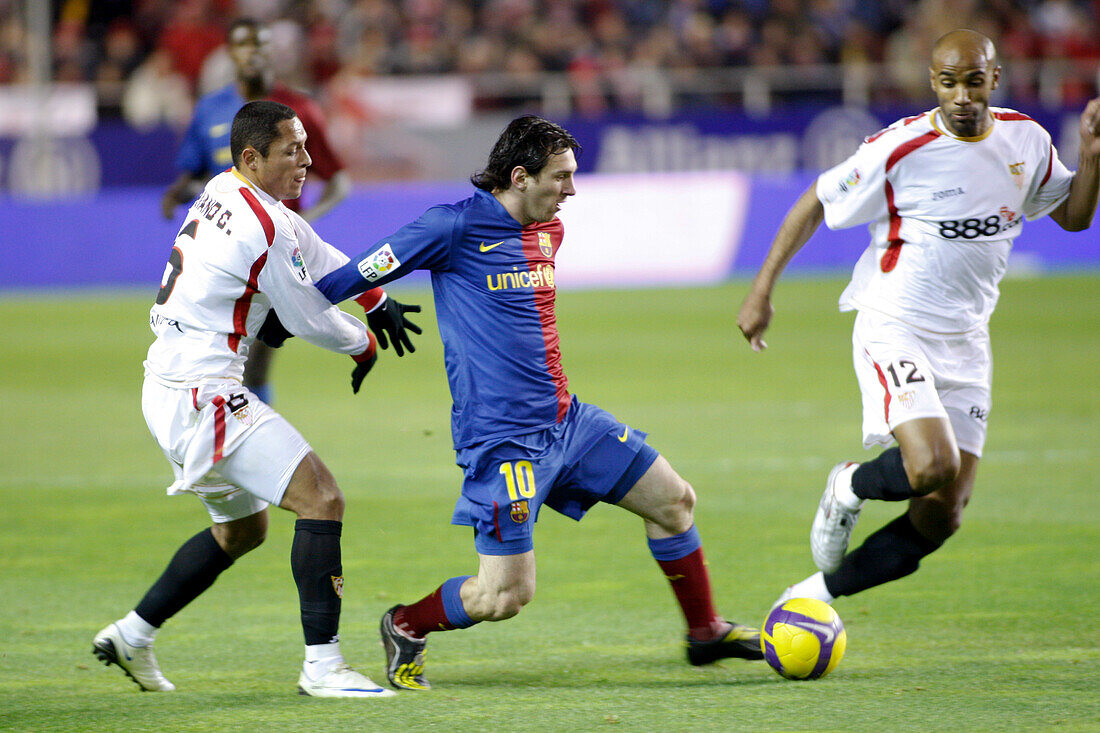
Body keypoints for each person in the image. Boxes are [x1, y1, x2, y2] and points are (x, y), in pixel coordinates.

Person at [312, 115, 764, 692]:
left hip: (567, 421)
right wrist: (300, 313)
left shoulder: (549, 230)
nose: (571, 190)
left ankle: (704, 633)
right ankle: (404, 623)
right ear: (520, 176)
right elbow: (353, 274)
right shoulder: (450, 228)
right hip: (504, 444)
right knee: (503, 596)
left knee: (675, 502)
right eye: (561, 177)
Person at [737, 30, 1099, 609]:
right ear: (933, 83)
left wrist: (1092, 152)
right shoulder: (899, 149)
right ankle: (850, 484)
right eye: (949, 82)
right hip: (895, 324)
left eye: (973, 81)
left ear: (994, 81)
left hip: (968, 342)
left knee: (942, 514)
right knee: (931, 464)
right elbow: (816, 199)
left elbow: (1074, 218)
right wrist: (762, 290)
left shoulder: (1025, 141)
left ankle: (810, 598)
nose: (961, 95)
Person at [92, 101, 418, 698]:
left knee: (242, 532)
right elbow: (304, 316)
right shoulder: (258, 225)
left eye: (305, 147)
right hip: (203, 392)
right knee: (321, 499)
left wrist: (372, 297)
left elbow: (310, 246)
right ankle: (323, 668)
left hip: (170, 380)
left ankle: (131, 637)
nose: (308, 160)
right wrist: (361, 340)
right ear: (252, 157)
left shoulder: (228, 190)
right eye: (292, 150)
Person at [161, 18, 356, 404]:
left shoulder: (298, 110)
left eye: (260, 45)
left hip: (272, 254)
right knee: (215, 360)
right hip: (218, 253)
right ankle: (233, 440)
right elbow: (197, 171)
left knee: (253, 362)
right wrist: (177, 192)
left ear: (272, 52)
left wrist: (304, 224)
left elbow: (339, 180)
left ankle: (250, 441)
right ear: (230, 54)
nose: (253, 52)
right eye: (243, 45)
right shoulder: (211, 109)